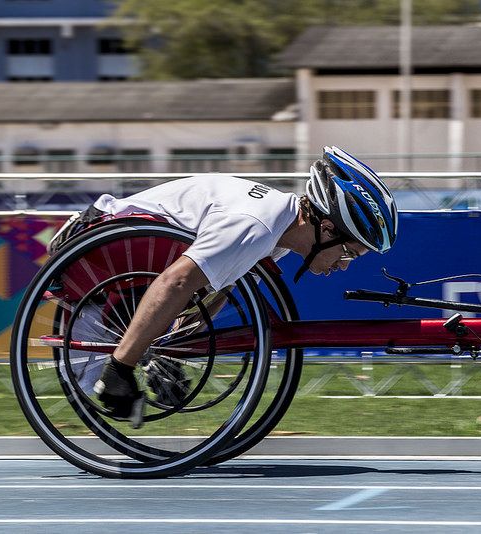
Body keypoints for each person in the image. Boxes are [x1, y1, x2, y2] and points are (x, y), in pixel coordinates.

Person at [50, 146, 398, 427]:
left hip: (130, 266)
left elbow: (218, 292)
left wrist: (169, 349)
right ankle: (115, 367)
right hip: (101, 250)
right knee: (98, 379)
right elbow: (177, 281)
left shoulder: (276, 232)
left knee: (205, 283)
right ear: (326, 227)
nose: (343, 265)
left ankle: (125, 359)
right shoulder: (256, 225)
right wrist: (121, 368)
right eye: (349, 252)